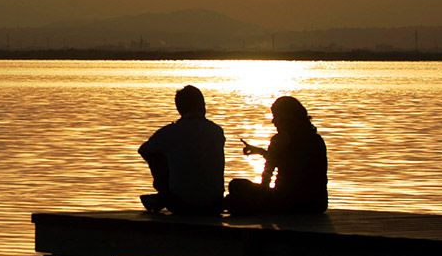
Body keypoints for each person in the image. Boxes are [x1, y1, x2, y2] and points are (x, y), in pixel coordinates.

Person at [226, 96, 328, 215]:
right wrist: (261, 151)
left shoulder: (280, 140)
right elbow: (291, 163)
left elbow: (267, 178)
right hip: (317, 204)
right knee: (236, 198)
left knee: (236, 186)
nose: (273, 121)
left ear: (287, 118)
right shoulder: (316, 140)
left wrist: (261, 199)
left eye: (276, 116)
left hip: (288, 202)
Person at [138, 85, 225, 215]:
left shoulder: (170, 132)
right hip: (214, 204)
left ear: (179, 108)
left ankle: (165, 194)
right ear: (203, 105)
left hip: (182, 205)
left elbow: (144, 150)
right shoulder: (216, 131)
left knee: (156, 155)